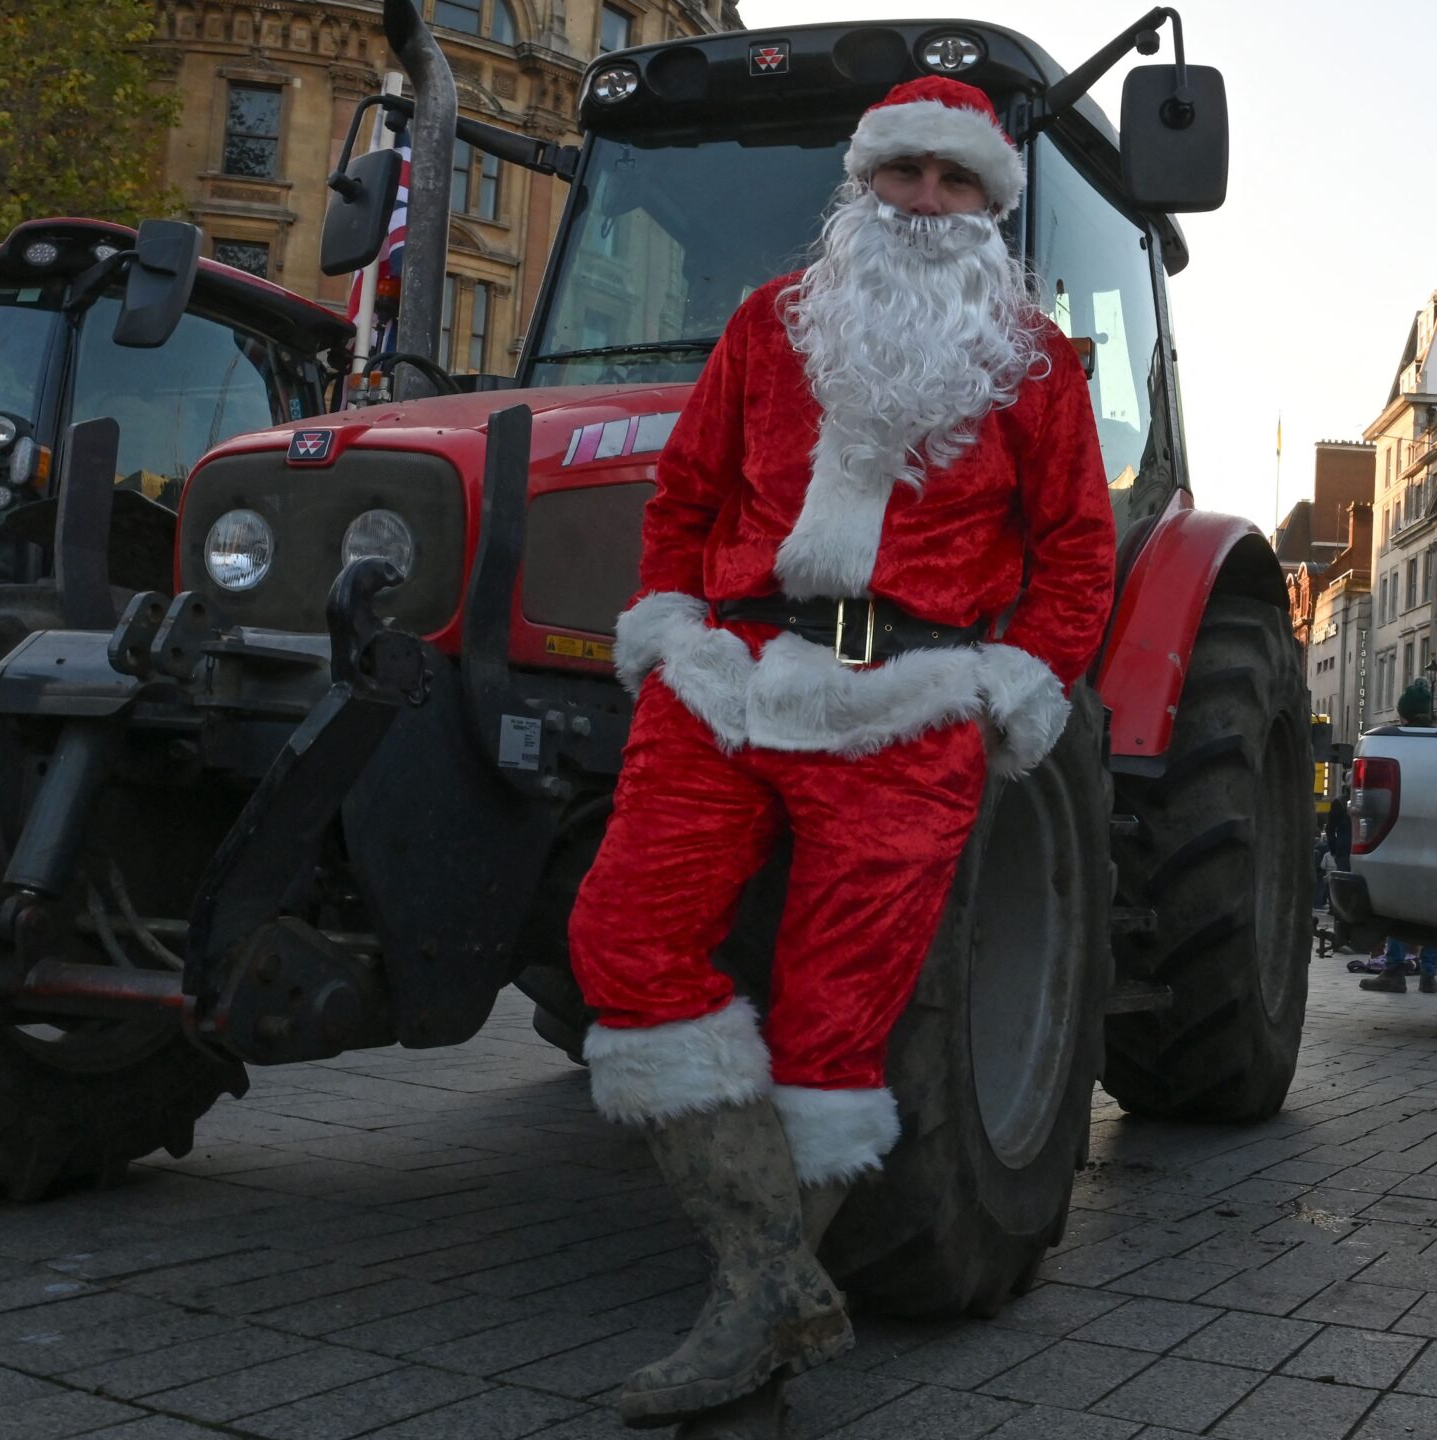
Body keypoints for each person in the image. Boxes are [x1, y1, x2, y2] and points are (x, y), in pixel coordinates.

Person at [564, 76, 1114, 1437]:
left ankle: (750, 1311)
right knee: (622, 937)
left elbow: (1080, 553)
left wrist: (1009, 686)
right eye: (902, 174)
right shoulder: (768, 324)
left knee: (833, 1020)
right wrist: (672, 624)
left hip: (906, 705)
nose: (926, 200)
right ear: (862, 186)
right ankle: (776, 1273)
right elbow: (687, 495)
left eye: (954, 179)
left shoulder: (1036, 365)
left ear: (993, 204)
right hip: (729, 678)